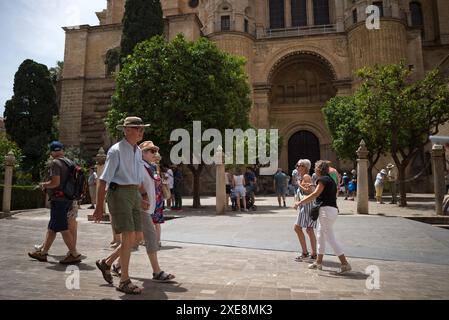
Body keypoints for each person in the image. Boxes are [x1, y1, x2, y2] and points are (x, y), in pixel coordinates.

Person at [98, 140, 175, 284]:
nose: (155, 154)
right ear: (142, 152)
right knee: (150, 237)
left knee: (135, 239)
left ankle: (110, 263)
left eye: (155, 151)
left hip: (146, 206)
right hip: (138, 206)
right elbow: (135, 183)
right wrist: (144, 197)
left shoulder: (150, 167)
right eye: (151, 151)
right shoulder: (139, 165)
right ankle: (156, 271)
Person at [94, 116, 150, 295]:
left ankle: (107, 263)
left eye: (142, 128)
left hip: (132, 193)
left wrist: (140, 196)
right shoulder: (115, 150)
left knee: (137, 236)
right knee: (128, 237)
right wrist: (98, 207)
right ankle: (124, 281)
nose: (141, 131)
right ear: (126, 130)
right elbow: (103, 181)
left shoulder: (137, 151)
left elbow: (136, 178)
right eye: (137, 128)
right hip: (119, 194)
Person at [28, 141, 82, 264]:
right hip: (68, 199)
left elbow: (55, 183)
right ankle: (43, 253)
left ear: (52, 152)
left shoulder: (55, 163)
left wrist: (43, 184)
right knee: (52, 228)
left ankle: (74, 254)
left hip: (59, 200)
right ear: (62, 150)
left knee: (63, 228)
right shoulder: (69, 162)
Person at [294, 160, 352, 274]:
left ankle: (345, 263)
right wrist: (313, 185)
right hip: (331, 210)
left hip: (326, 211)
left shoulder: (322, 180)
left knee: (330, 238)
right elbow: (320, 189)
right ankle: (318, 262)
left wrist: (300, 202)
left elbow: (315, 194)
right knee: (320, 236)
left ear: (319, 169)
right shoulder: (329, 180)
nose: (314, 169)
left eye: (316, 167)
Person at [293, 159, 317, 262]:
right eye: (297, 165)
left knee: (298, 228)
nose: (297, 167)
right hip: (305, 205)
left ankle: (306, 253)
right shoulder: (303, 177)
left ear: (306, 167)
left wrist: (298, 184)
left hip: (307, 205)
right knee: (309, 229)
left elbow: (310, 191)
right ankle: (313, 253)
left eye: (299, 165)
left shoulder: (306, 177)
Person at [152, 152, 165, 247]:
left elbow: (156, 182)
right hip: (157, 198)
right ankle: (157, 240)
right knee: (156, 222)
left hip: (155, 198)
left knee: (154, 221)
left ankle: (156, 240)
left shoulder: (154, 170)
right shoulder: (157, 171)